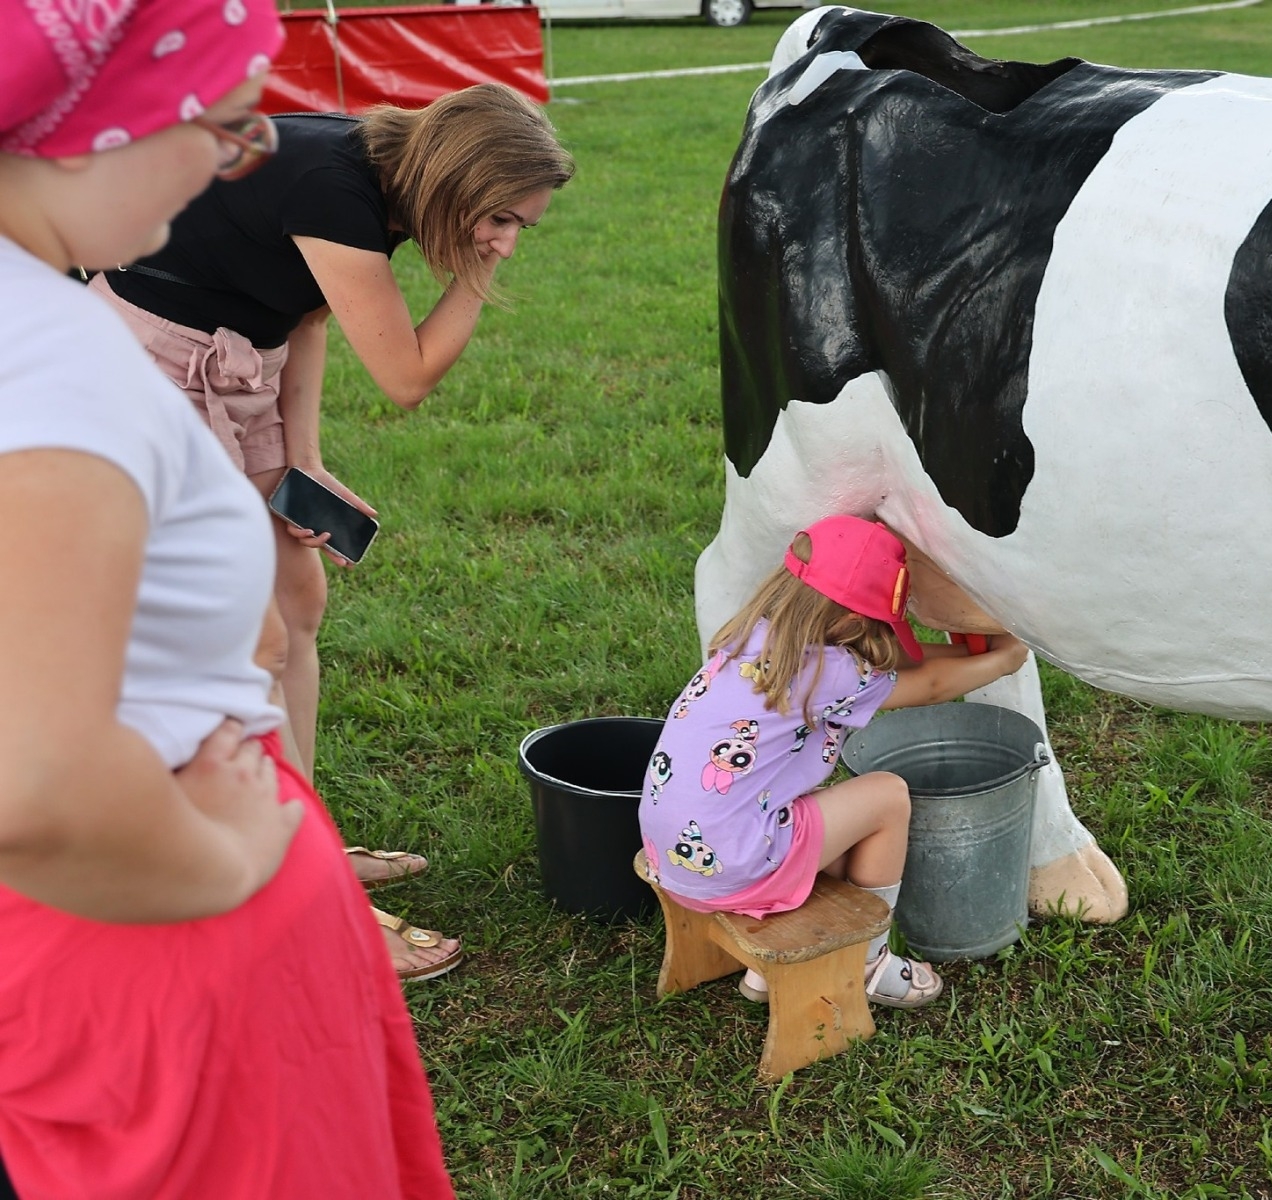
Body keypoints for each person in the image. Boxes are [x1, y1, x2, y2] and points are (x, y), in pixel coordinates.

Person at [0, 0, 454, 1193]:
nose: (236, 156)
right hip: (164, 958)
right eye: (222, 121)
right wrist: (234, 860)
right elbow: (36, 785)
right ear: (88, 129)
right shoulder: (48, 364)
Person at [91, 82, 576, 979]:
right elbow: (406, 376)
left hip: (240, 365)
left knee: (298, 605)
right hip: (148, 371)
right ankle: (286, 886)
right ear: (458, 180)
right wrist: (475, 276)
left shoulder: (383, 179)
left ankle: (301, 834)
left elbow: (305, 315)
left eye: (520, 230)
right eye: (502, 220)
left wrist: (301, 459)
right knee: (250, 640)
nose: (506, 244)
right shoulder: (333, 187)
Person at [639, 516, 1032, 1008]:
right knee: (886, 796)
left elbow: (892, 661)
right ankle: (869, 960)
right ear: (849, 625)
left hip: (674, 857)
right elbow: (929, 686)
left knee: (842, 835)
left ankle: (772, 967)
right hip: (737, 864)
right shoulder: (829, 671)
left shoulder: (751, 637)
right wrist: (1002, 661)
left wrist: (965, 655)